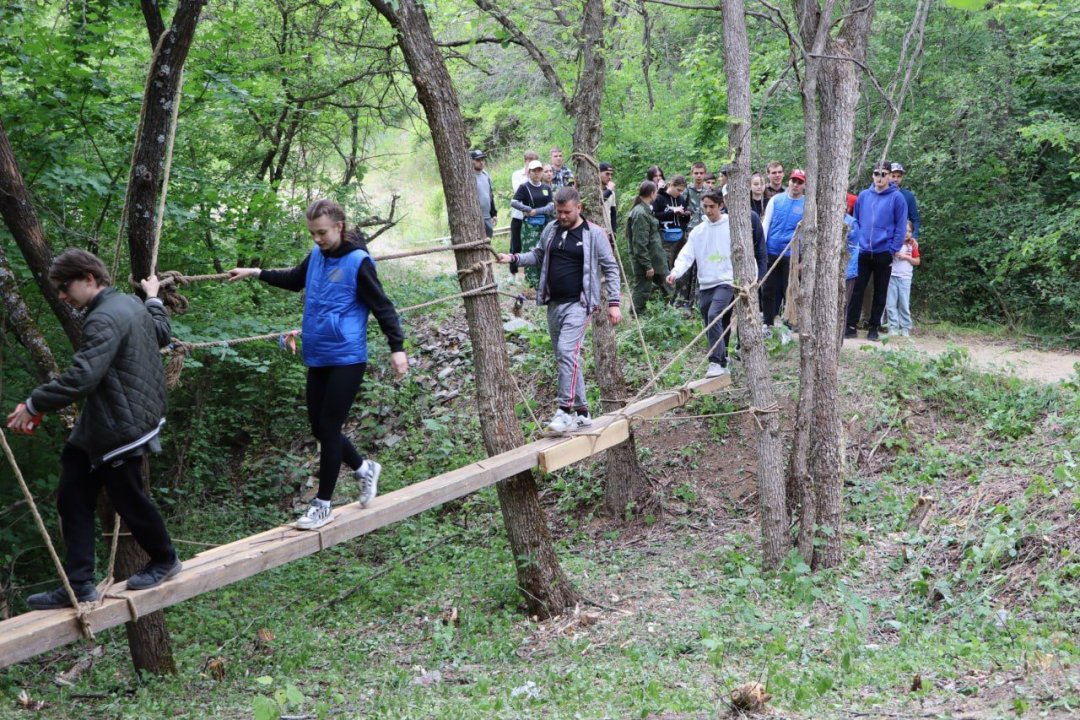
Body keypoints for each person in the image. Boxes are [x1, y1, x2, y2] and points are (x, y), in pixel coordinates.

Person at [6, 249, 180, 609]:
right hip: (114, 416)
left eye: (64, 287)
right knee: (72, 490)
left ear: (88, 278)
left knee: (127, 496)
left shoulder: (102, 318)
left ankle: (165, 559)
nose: (62, 296)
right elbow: (162, 333)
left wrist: (35, 403)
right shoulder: (129, 305)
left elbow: (83, 377)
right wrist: (152, 298)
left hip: (123, 422)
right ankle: (79, 582)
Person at [228, 200, 408, 530]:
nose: (317, 239)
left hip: (347, 356)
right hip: (318, 354)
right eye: (312, 233)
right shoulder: (316, 256)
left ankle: (322, 504)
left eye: (322, 232)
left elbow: (383, 307)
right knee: (319, 427)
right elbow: (295, 279)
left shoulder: (358, 262)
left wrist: (397, 348)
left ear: (339, 226)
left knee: (328, 429)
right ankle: (365, 468)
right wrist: (255, 272)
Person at [496, 187, 621, 432]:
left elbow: (611, 268)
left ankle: (564, 411)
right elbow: (538, 255)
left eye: (566, 212)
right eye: (559, 211)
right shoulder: (552, 229)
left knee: (566, 352)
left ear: (578, 208)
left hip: (580, 304)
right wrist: (512, 258)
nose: (562, 216)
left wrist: (614, 303)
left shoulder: (594, 234)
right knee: (567, 357)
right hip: (554, 304)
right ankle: (583, 412)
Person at [666, 190, 734, 377]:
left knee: (714, 316)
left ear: (721, 205)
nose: (708, 210)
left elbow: (744, 251)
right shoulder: (698, 231)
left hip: (726, 281)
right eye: (705, 206)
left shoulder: (731, 226)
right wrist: (676, 272)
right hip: (706, 284)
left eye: (712, 206)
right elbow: (687, 255)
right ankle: (724, 357)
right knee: (710, 320)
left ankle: (716, 362)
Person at [845, 163, 909, 341]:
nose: (879, 177)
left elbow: (900, 226)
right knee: (857, 289)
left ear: (890, 176)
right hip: (863, 250)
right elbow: (856, 221)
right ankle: (851, 325)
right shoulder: (864, 196)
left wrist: (892, 249)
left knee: (880, 291)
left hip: (884, 251)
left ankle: (874, 326)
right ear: (872, 175)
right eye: (876, 173)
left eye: (884, 174)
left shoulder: (897, 198)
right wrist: (856, 244)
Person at [761, 168, 806, 327]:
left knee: (790, 289)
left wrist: (803, 260)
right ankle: (768, 322)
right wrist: (762, 249)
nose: (796, 185)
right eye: (794, 181)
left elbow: (807, 234)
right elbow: (766, 223)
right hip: (771, 250)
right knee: (768, 289)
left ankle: (789, 322)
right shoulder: (776, 200)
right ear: (789, 181)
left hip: (791, 254)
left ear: (804, 185)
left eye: (800, 182)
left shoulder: (807, 205)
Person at [626, 181, 670, 313]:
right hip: (649, 261)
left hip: (655, 259)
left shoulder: (644, 210)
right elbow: (640, 243)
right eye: (656, 192)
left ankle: (659, 314)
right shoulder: (640, 213)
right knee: (643, 290)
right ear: (652, 193)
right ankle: (636, 318)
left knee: (665, 287)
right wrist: (647, 265)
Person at [511, 160, 555, 287]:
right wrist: (528, 209)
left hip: (545, 223)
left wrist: (537, 211)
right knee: (531, 250)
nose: (537, 173)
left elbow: (551, 205)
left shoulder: (546, 188)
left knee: (546, 249)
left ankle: (544, 280)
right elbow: (514, 202)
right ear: (529, 172)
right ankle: (531, 282)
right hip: (530, 225)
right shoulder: (524, 187)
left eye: (539, 170)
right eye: (534, 171)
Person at [653, 175, 691, 305]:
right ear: (671, 185)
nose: (679, 193)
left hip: (679, 236)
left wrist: (685, 215)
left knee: (679, 265)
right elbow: (655, 215)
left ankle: (678, 299)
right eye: (678, 190)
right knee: (666, 267)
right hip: (665, 237)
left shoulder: (681, 199)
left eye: (682, 191)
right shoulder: (659, 198)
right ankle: (666, 298)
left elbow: (685, 216)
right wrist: (672, 212)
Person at [885, 221, 920, 336]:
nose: (907, 233)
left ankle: (905, 327)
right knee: (890, 304)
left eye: (910, 231)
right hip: (892, 276)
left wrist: (906, 257)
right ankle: (893, 327)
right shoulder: (894, 243)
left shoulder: (912, 245)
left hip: (905, 278)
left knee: (904, 303)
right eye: (904, 230)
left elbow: (917, 261)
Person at [509, 151, 540, 280]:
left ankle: (532, 274)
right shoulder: (517, 175)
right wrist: (528, 175)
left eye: (534, 160)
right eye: (529, 160)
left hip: (534, 217)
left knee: (533, 244)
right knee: (515, 244)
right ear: (525, 161)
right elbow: (518, 191)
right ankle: (513, 273)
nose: (531, 162)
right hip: (518, 216)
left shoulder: (538, 175)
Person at [890, 162, 920, 241]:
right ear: (888, 176)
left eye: (899, 176)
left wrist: (914, 236)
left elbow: (915, 219)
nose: (895, 179)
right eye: (893, 176)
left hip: (903, 239)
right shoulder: (881, 194)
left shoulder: (908, 195)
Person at [470, 150, 497, 239]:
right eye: (478, 160)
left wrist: (494, 214)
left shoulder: (486, 175)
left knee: (488, 241)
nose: (481, 162)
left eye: (482, 159)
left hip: (487, 217)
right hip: (475, 217)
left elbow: (490, 195)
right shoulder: (469, 176)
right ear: (471, 161)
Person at [686, 162, 709, 229]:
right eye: (696, 173)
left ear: (705, 174)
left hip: (706, 227)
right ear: (691, 174)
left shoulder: (709, 191)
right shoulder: (686, 190)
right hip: (691, 227)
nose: (699, 175)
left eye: (701, 173)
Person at [599, 162, 617, 241]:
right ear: (598, 173)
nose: (610, 177)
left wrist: (614, 232)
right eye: (607, 174)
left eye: (611, 174)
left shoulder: (611, 192)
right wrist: (609, 190)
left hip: (608, 232)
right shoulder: (594, 190)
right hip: (597, 230)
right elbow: (598, 203)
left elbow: (613, 213)